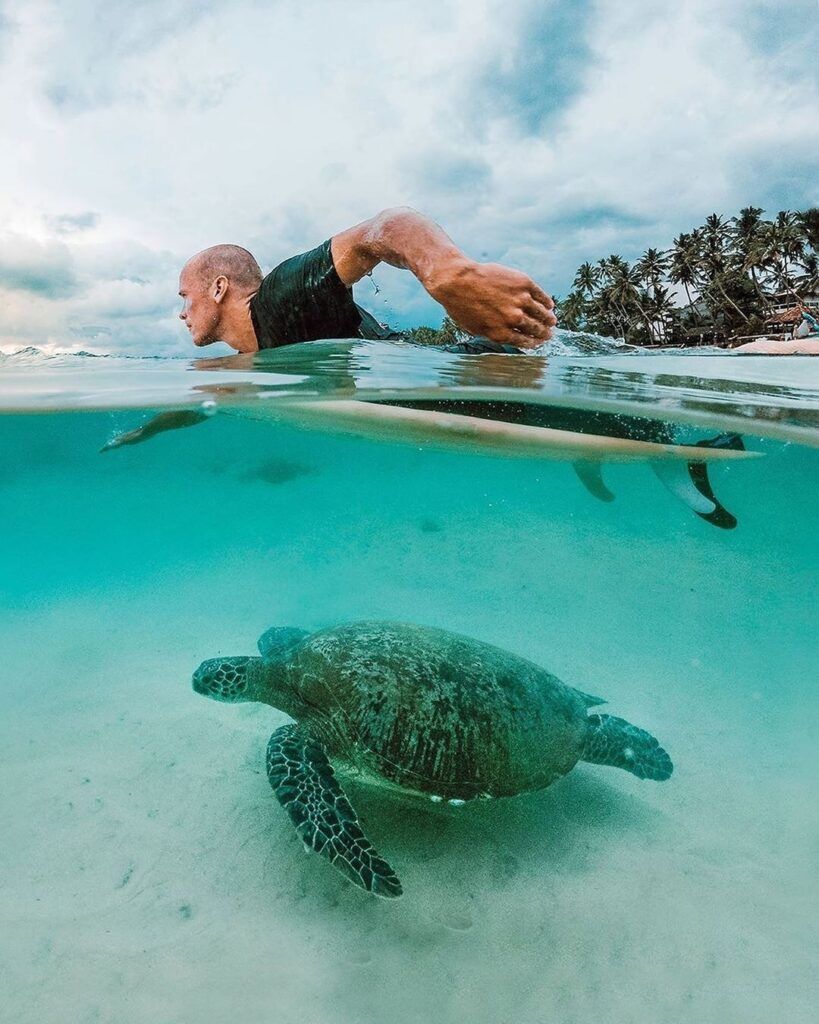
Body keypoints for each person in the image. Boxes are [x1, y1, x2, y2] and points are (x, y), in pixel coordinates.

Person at [178, 206, 556, 354]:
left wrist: (452, 275)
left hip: (488, 376)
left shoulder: (281, 299)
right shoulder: (250, 354)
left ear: (218, 288)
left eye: (185, 296)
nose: (182, 312)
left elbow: (382, 229)